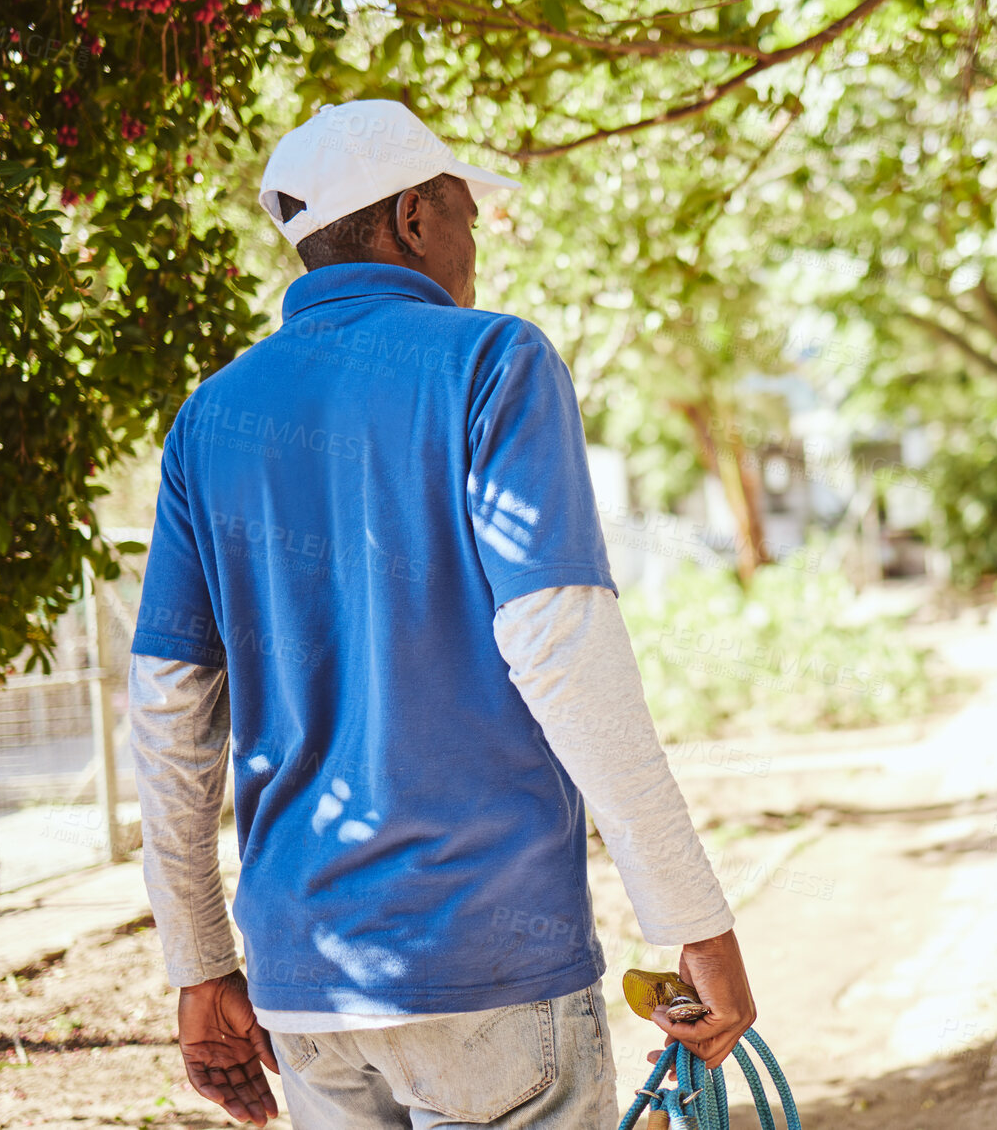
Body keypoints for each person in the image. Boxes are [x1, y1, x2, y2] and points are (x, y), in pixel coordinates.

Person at [129, 98, 755, 1128]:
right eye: (465, 213)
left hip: (307, 989)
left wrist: (200, 967)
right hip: (490, 968)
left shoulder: (212, 419)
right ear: (414, 216)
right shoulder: (492, 364)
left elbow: (167, 710)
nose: (475, 247)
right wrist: (694, 919)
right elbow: (561, 648)